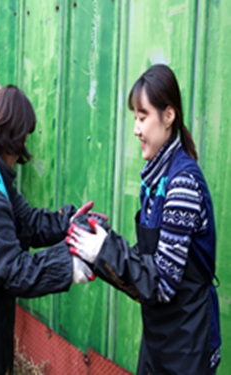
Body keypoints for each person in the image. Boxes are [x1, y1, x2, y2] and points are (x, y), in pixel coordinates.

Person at [66, 64, 221, 375]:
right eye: (134, 119)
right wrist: (98, 251)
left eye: (142, 117)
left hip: (187, 345)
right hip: (158, 338)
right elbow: (145, 272)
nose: (136, 129)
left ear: (168, 116)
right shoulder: (154, 179)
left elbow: (161, 284)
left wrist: (106, 250)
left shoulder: (182, 184)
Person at [0, 85, 94, 374]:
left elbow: (26, 221)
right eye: (25, 135)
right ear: (13, 137)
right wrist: (68, 265)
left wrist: (68, 222)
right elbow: (13, 270)